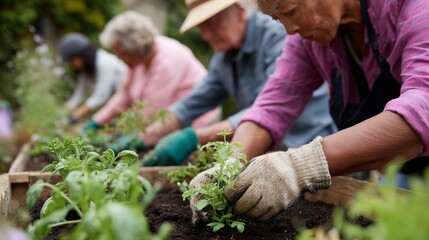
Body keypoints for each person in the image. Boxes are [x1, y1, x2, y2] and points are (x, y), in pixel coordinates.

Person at [190, 0, 429, 222]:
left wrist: (302, 165)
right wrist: (231, 163)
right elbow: (274, 105)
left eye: (292, 11)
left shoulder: (413, 7)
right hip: (394, 172)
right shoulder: (309, 41)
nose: (290, 30)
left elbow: (422, 105)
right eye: (278, 19)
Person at [124, 0, 337, 166]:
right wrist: (142, 138)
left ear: (239, 10)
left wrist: (193, 138)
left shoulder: (278, 34)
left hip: (316, 148)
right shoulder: (223, 58)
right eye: (201, 28)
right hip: (269, 155)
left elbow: (272, 107)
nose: (206, 35)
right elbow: (190, 105)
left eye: (211, 23)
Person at [82, 11, 220, 141]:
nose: (118, 58)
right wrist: (97, 121)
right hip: (165, 121)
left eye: (122, 53)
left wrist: (119, 134)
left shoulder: (167, 60)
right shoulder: (136, 62)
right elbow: (124, 95)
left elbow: (151, 111)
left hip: (197, 121)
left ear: (136, 47)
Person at [60, 33, 127, 124]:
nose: (71, 65)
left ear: (81, 55)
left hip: (128, 103)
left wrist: (78, 114)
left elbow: (102, 94)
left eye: (71, 61)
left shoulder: (104, 62)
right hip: (118, 105)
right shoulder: (87, 69)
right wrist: (66, 109)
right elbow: (80, 92)